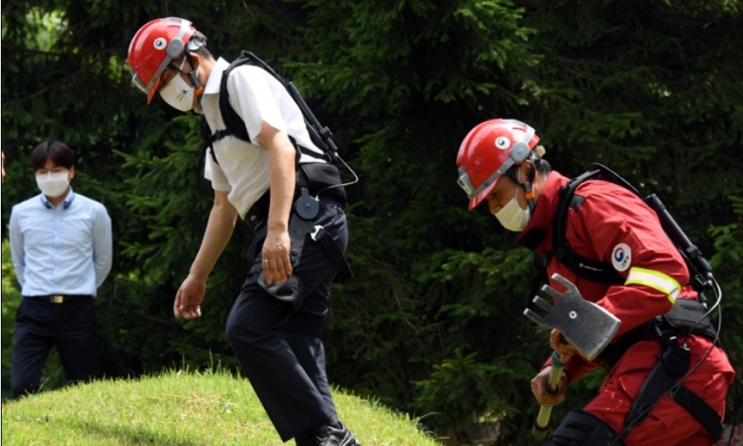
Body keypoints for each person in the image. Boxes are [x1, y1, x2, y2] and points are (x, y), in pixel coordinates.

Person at [127, 18, 359, 446]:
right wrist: (197, 277)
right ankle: (328, 441)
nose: (164, 95)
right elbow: (223, 207)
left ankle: (330, 434)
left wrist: (277, 232)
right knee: (296, 339)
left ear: (188, 58)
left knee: (248, 326)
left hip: (305, 215)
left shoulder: (241, 80)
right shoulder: (210, 121)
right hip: (289, 221)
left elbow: (281, 147)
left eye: (163, 82)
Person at [455, 119, 735, 446]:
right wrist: (560, 370)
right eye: (487, 203)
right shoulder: (552, 241)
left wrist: (584, 321)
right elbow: (602, 326)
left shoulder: (593, 203)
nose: (494, 209)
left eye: (496, 195)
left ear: (525, 169)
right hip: (658, 377)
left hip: (678, 368)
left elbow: (666, 272)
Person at [9, 141, 112, 398]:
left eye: (56, 169)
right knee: (22, 386)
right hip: (34, 310)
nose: (49, 176)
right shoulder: (21, 213)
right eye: (42, 172)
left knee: (84, 387)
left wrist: (80, 286)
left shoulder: (94, 212)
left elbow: (102, 261)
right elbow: (19, 262)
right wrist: (37, 288)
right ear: (35, 174)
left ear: (71, 171)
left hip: (77, 311)